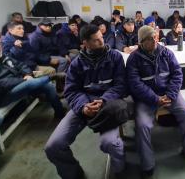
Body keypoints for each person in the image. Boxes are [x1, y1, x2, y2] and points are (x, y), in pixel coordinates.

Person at [45, 25, 128, 179]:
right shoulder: (76, 64)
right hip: (84, 106)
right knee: (53, 146)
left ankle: (120, 169)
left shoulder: (115, 57)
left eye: (101, 38)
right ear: (85, 43)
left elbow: (121, 85)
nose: (102, 42)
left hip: (108, 105)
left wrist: (103, 100)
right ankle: (74, 174)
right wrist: (83, 107)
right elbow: (71, 91)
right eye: (96, 41)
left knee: (109, 143)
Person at [126, 26, 185, 179]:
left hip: (169, 94)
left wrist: (170, 94)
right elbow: (135, 85)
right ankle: (148, 165)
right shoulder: (134, 59)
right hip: (147, 98)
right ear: (141, 42)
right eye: (151, 38)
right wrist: (155, 99)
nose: (155, 40)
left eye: (155, 36)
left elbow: (177, 74)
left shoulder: (166, 53)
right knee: (142, 125)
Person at [0, 30, 65, 118]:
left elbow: (20, 65)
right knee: (32, 82)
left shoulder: (0, 56)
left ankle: (59, 112)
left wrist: (27, 74)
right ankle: (53, 77)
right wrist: (22, 80)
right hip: (0, 96)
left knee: (47, 86)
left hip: (16, 84)